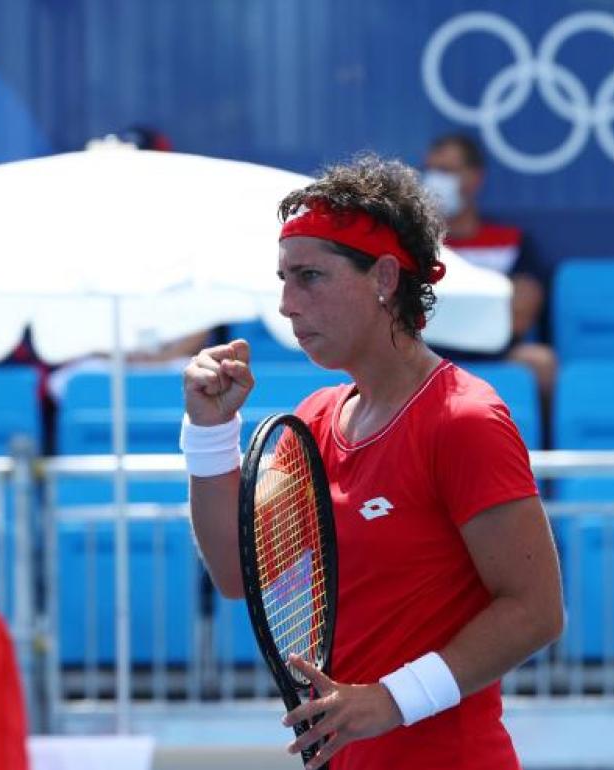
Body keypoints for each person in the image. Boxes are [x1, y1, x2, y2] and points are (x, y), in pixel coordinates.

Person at [180, 156, 563, 769]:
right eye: (283, 279)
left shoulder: (464, 419)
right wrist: (209, 430)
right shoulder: (313, 420)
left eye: (309, 277)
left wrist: (391, 700)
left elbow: (536, 612)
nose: (286, 304)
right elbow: (235, 570)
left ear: (384, 277)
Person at [423, 133, 556, 398]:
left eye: (447, 171)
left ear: (474, 178)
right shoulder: (413, 244)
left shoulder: (510, 241)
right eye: (431, 171)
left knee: (541, 362)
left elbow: (520, 316)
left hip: (495, 355)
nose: (435, 181)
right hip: (424, 357)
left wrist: (445, 318)